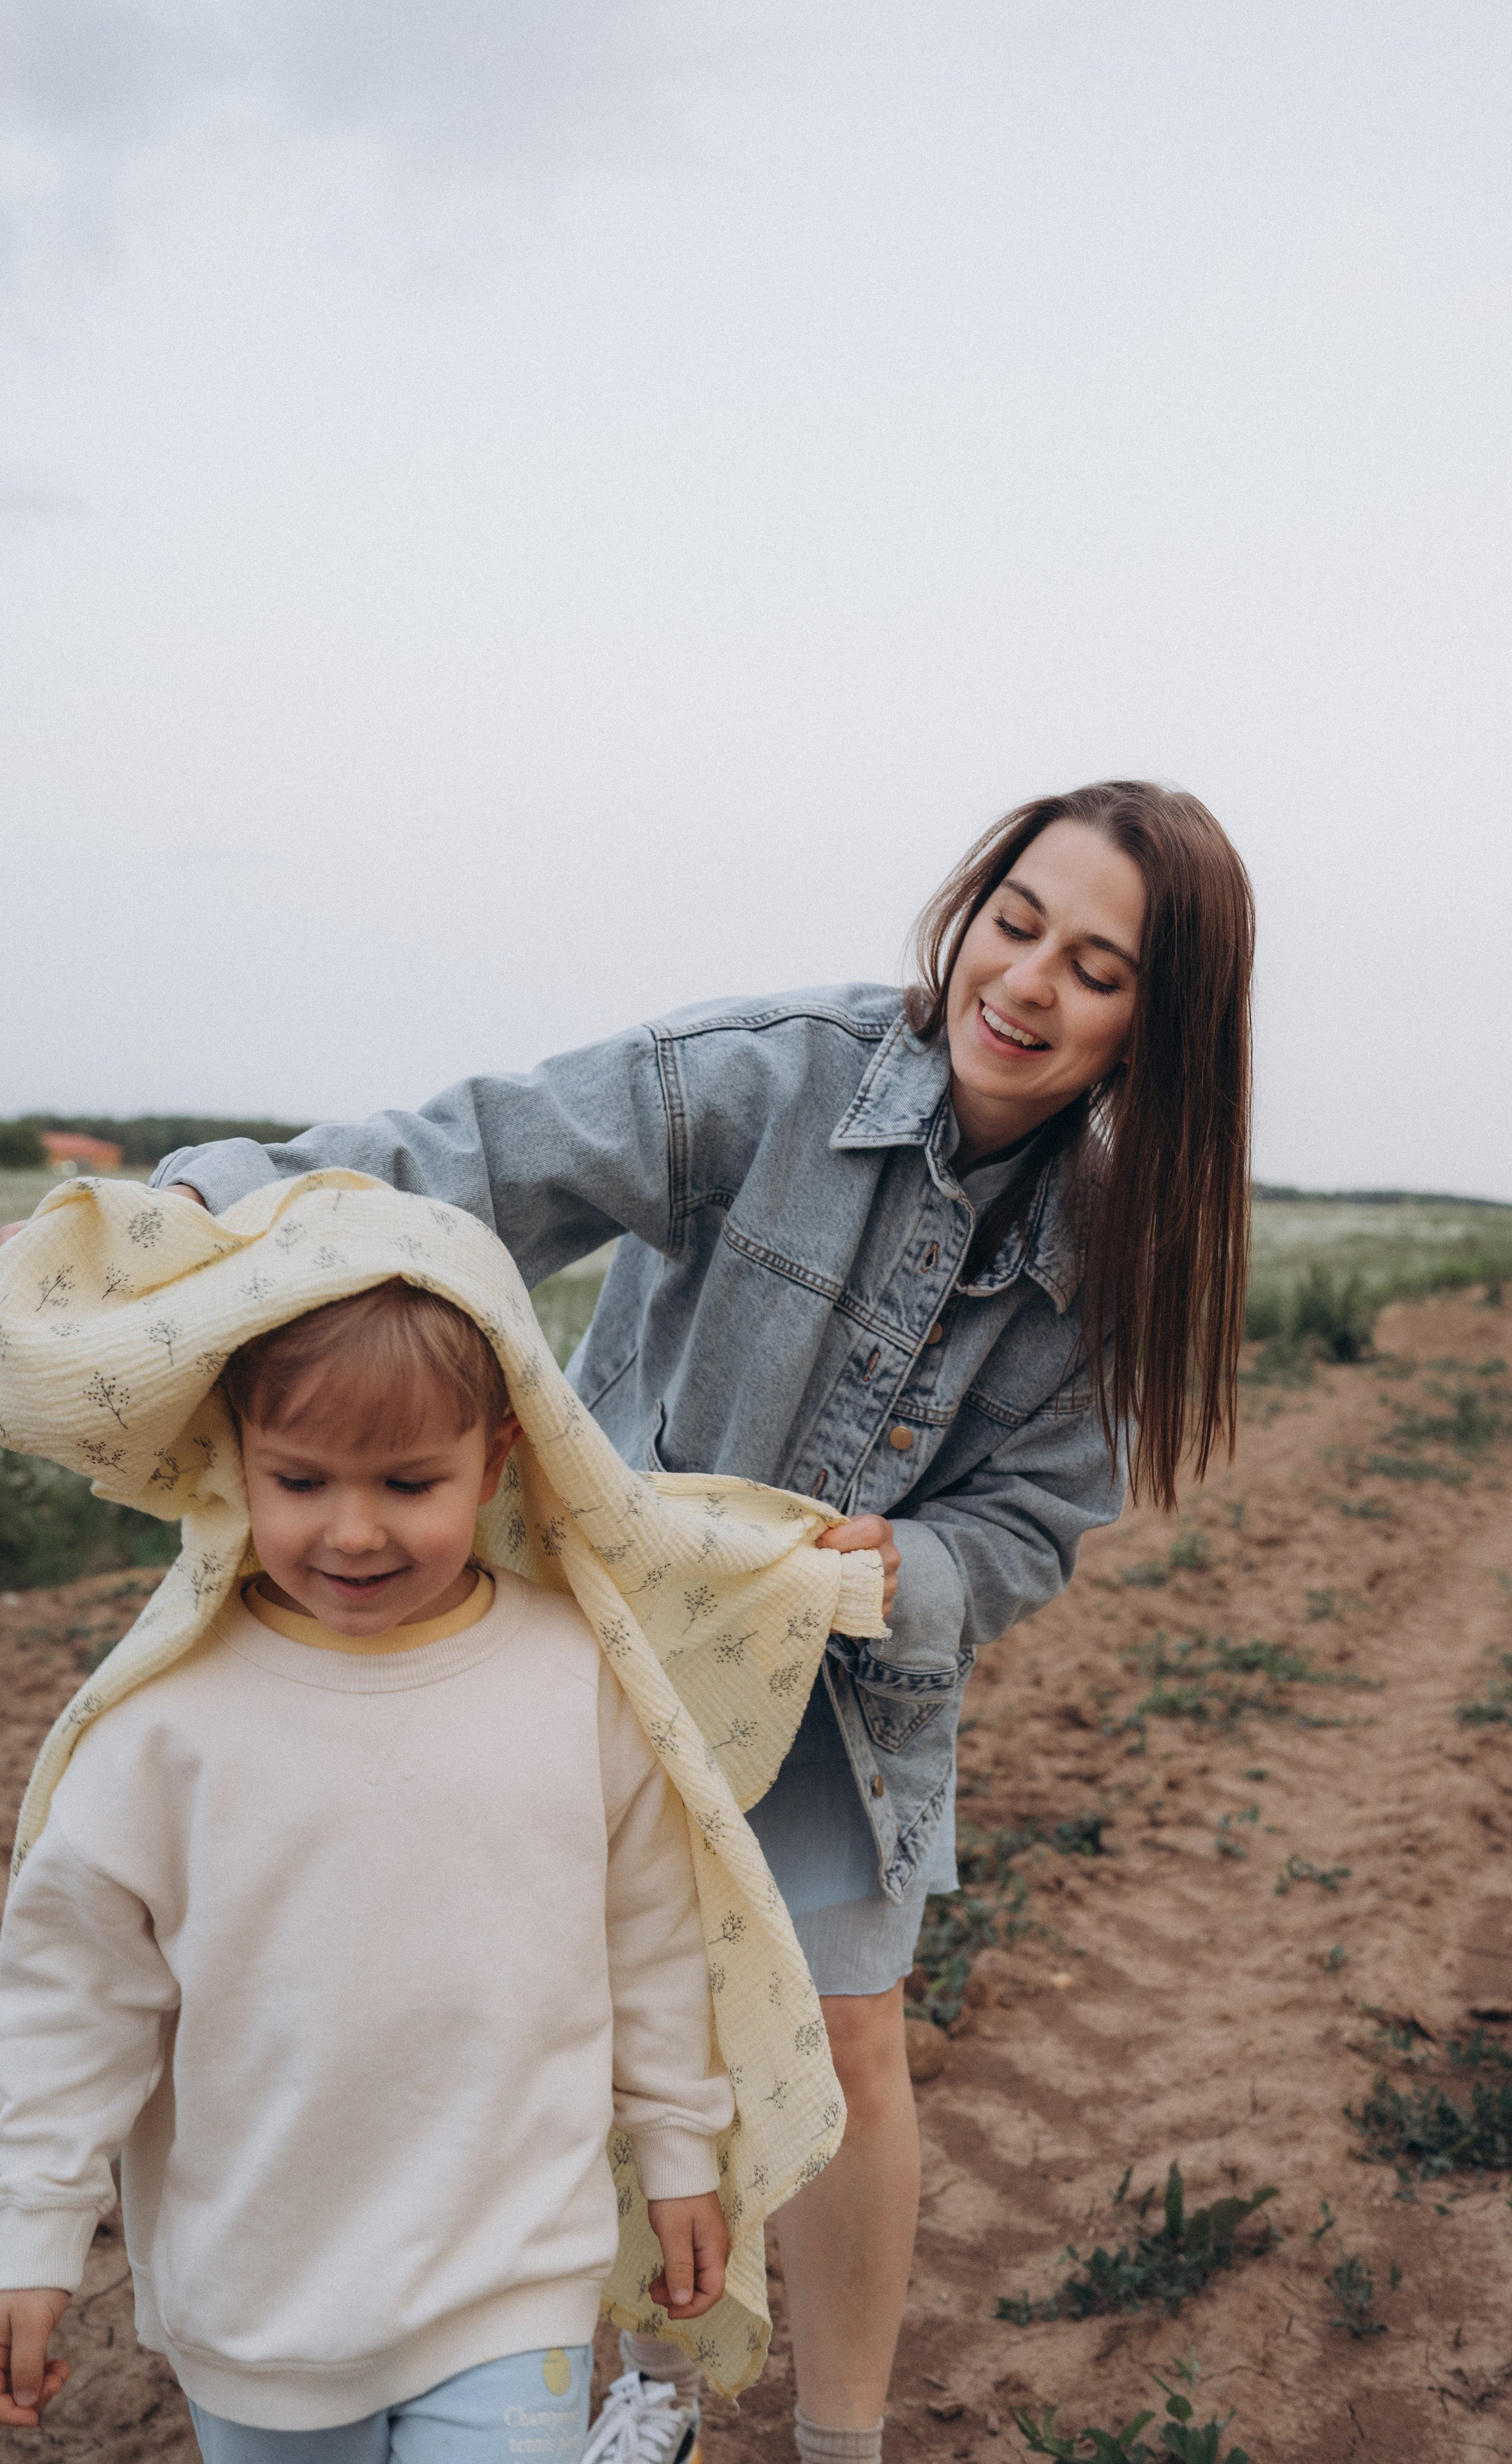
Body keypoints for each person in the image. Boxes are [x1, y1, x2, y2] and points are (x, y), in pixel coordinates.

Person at [15, 778, 1255, 2464]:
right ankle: (600, 2380)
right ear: (970, 912)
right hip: (607, 1626)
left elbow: (1035, 1522)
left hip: (838, 1669)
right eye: (1016, 921)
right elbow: (476, 1157)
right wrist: (203, 1203)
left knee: (848, 2036)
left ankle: (841, 2437)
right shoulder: (778, 1071)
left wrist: (912, 1567)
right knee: (565, 1995)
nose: (1027, 984)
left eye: (1096, 968)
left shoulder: (1125, 1243)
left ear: (1156, 1024)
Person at [0, 1275, 738, 2462]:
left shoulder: (575, 1678)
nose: (353, 1530)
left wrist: (678, 2148)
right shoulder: (162, 1730)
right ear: (236, 1460)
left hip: (512, 2266)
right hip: (261, 2302)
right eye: (301, 1481)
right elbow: (75, 2004)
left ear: (496, 1461)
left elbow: (648, 1936)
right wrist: (31, 2235)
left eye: (408, 1483)